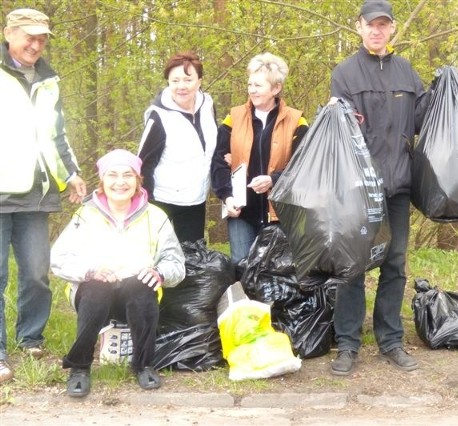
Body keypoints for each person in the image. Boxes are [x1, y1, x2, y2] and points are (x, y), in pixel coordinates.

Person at [329, 0, 429, 375]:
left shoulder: (406, 72)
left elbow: (422, 121)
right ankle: (348, 344)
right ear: (359, 27)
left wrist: (446, 95)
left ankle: (390, 340)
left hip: (399, 185)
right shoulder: (345, 73)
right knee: (353, 265)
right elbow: (339, 129)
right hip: (359, 188)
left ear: (392, 30)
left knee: (395, 264)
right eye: (371, 25)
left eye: (383, 25)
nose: (377, 31)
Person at [50, 149, 185, 398]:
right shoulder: (85, 215)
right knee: (95, 288)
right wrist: (89, 271)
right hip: (93, 295)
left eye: (127, 175)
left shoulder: (156, 217)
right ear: (102, 182)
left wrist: (160, 273)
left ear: (137, 181)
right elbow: (58, 259)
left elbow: (176, 263)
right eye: (112, 175)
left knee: (143, 287)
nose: (120, 182)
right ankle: (79, 367)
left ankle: (143, 365)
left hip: (134, 296)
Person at [0, 8, 87, 384]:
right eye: (28, 37)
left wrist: (72, 175)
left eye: (41, 38)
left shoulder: (49, 79)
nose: (35, 44)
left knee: (36, 272)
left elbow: (57, 136)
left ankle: (30, 336)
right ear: (8, 34)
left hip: (37, 193)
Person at [211, 52, 309, 267]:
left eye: (258, 85)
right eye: (250, 85)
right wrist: (226, 197)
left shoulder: (297, 121)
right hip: (241, 211)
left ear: (276, 88)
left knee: (276, 273)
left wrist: (274, 179)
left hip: (281, 213)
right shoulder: (233, 118)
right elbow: (218, 162)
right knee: (242, 267)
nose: (252, 90)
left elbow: (305, 167)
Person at [138, 51, 217, 243]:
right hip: (161, 200)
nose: (181, 86)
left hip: (196, 199)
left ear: (199, 81)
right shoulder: (159, 117)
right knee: (156, 257)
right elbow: (142, 164)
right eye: (175, 81)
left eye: (188, 80)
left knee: (193, 259)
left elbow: (211, 145)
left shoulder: (208, 105)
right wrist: (144, 204)